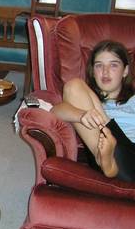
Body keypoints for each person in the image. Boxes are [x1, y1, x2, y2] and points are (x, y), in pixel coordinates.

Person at [51, 40, 135, 182]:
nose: (105, 71)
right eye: (99, 65)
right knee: (74, 85)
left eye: (113, 65)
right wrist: (82, 115)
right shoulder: (85, 101)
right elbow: (54, 112)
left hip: (131, 153)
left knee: (106, 132)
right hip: (104, 149)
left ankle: (108, 161)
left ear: (125, 71)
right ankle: (105, 160)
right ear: (93, 72)